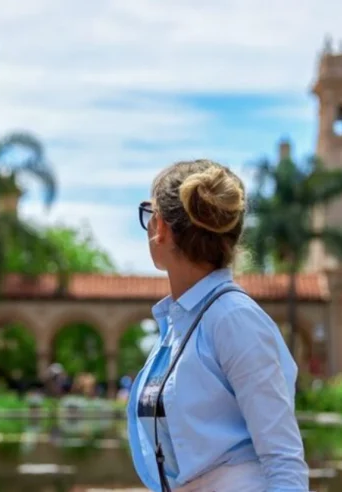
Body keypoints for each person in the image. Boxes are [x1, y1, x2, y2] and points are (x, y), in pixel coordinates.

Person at [127, 160, 308, 492]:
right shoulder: (183, 322)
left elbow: (283, 458)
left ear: (160, 227)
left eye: (149, 214)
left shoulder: (232, 318)